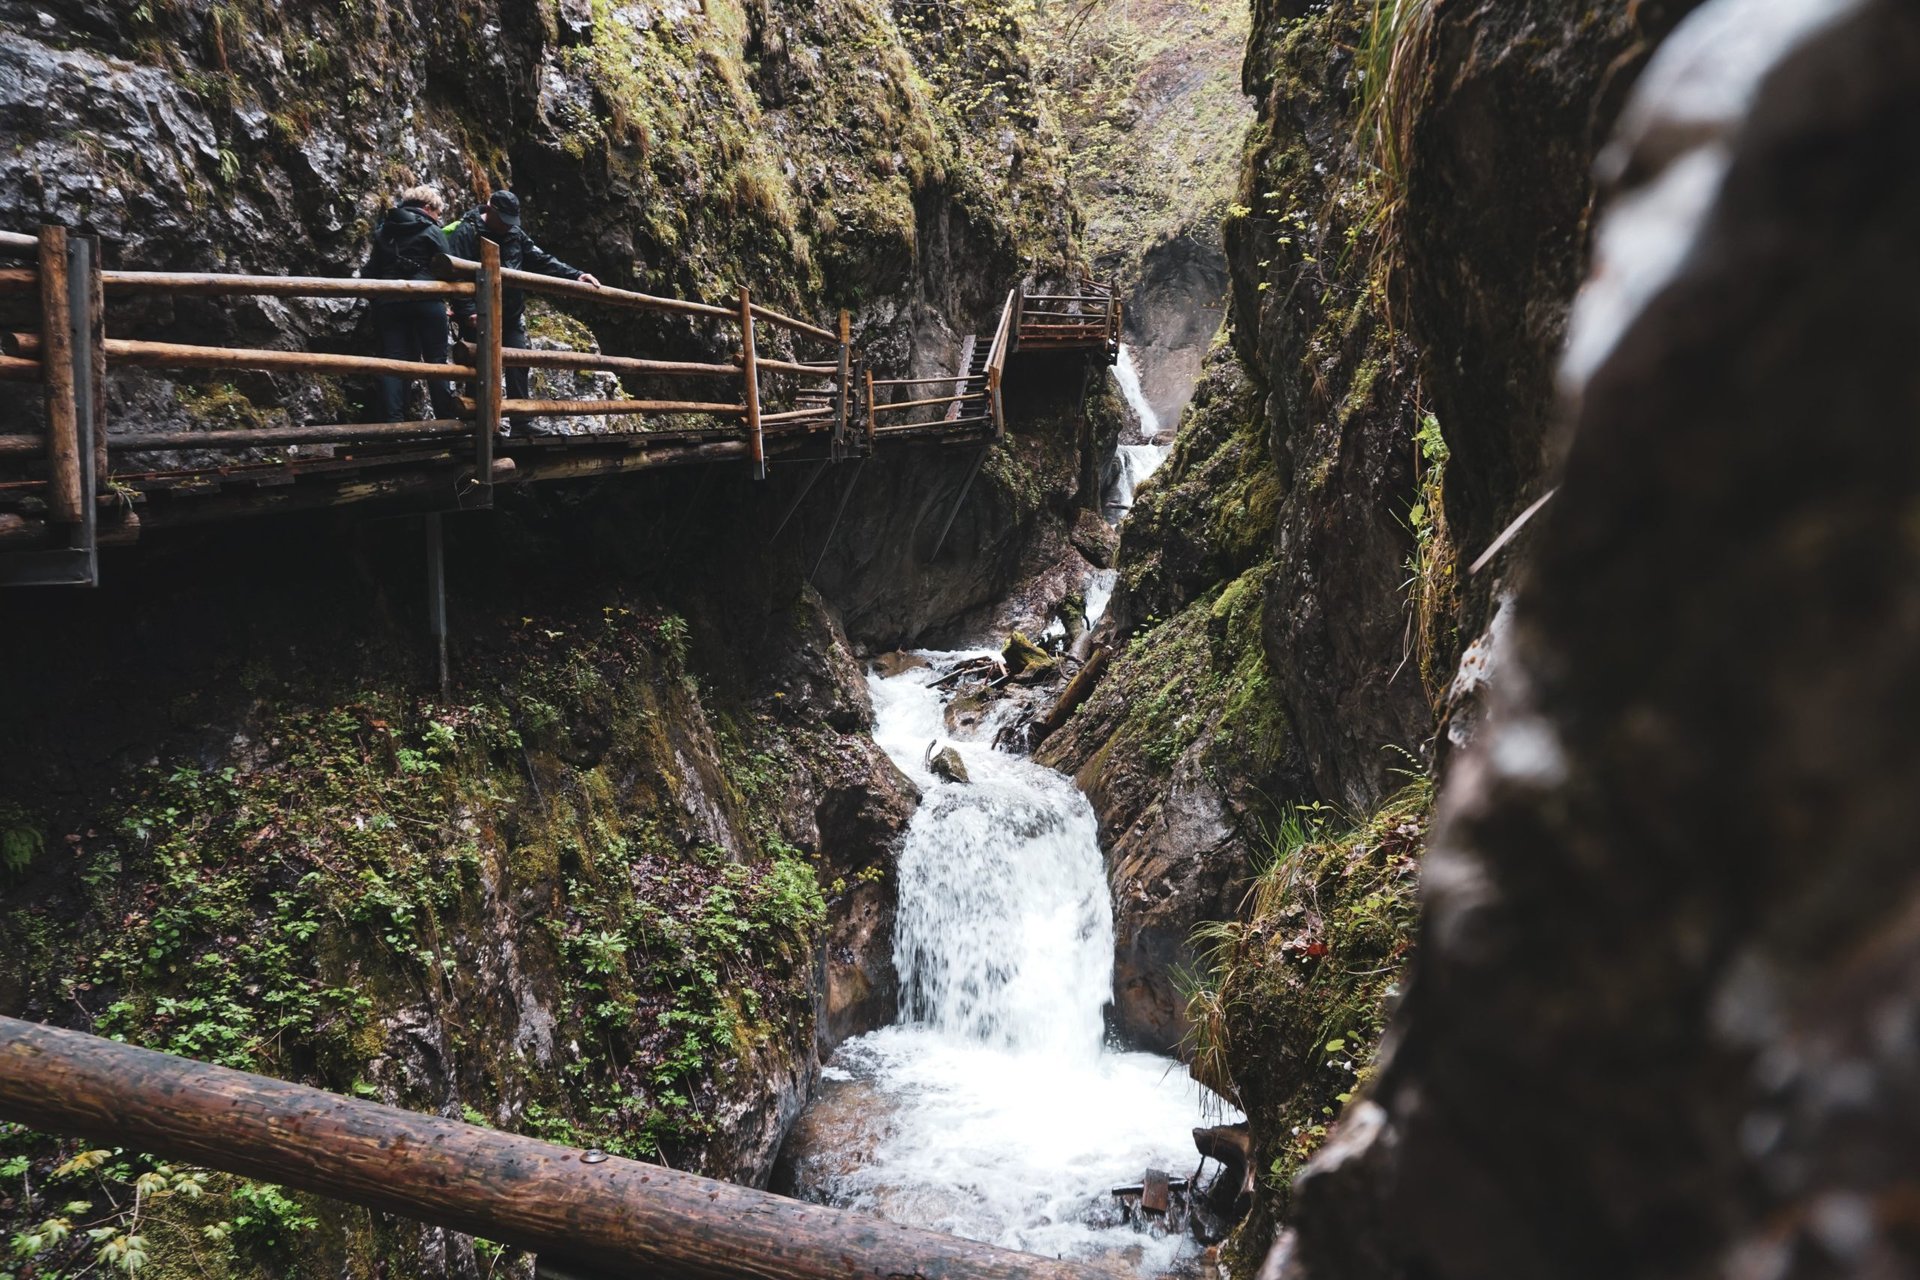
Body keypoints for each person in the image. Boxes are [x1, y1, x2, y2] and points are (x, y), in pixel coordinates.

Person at [444, 191, 600, 410]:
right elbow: (457, 275)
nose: (508, 226)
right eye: (505, 221)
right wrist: (468, 310)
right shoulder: (467, 231)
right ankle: (478, 423)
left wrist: (575, 275)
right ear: (491, 211)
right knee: (481, 367)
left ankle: (521, 421)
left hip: (510, 312)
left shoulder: (515, 234)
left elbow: (541, 260)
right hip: (478, 315)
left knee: (519, 360)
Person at [362, 185, 457, 422]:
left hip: (389, 300)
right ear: (428, 207)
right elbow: (450, 266)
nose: (438, 218)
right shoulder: (431, 230)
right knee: (436, 360)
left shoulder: (384, 230)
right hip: (427, 299)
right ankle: (445, 419)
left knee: (394, 358)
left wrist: (379, 298)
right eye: (438, 213)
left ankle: (394, 423)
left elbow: (371, 270)